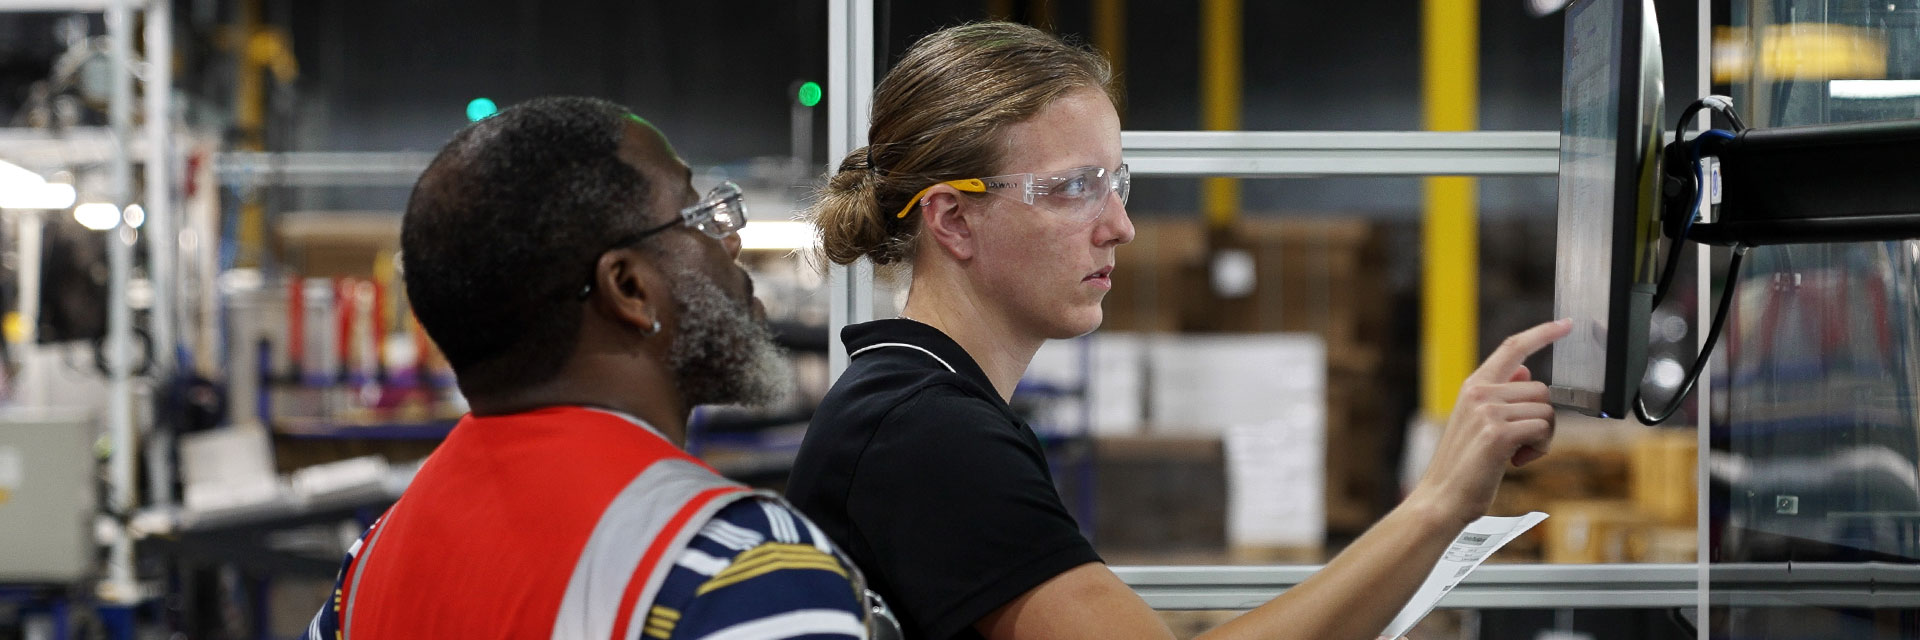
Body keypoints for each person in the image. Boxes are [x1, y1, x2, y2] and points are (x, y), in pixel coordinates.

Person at [786, 22, 1572, 640]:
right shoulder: (922, 435)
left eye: (1116, 182)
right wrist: (1437, 504)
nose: (1120, 226)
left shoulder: (922, 407)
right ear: (952, 218)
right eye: (1073, 189)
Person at [308, 96, 890, 640]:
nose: (730, 241)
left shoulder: (366, 571)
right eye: (698, 215)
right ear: (629, 287)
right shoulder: (745, 570)